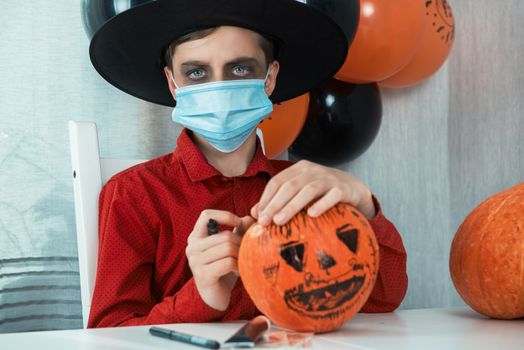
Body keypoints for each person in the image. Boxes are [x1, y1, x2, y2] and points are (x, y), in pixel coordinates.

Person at [87, 0, 408, 328]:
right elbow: (107, 334)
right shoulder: (133, 194)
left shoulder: (305, 192)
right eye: (196, 72)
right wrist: (202, 296)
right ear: (173, 83)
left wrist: (365, 207)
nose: (219, 88)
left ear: (269, 78)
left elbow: (385, 298)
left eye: (240, 69)